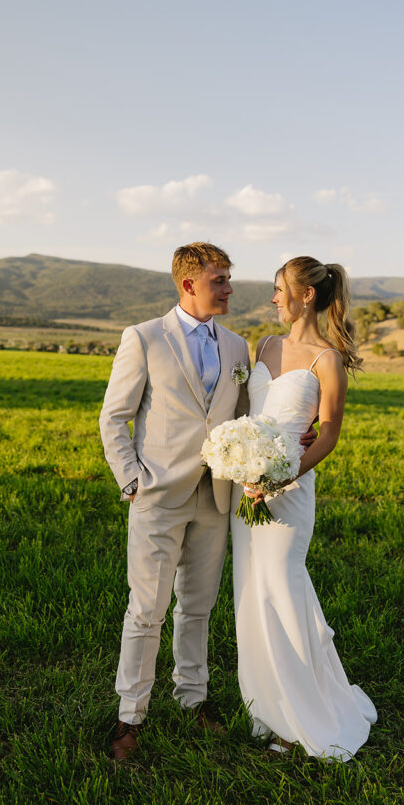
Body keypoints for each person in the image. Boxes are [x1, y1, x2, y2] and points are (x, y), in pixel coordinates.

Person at [99, 242, 250, 760]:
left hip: (216, 495)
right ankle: (129, 716)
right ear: (189, 284)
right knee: (146, 610)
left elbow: (243, 417)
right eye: (220, 280)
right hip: (158, 495)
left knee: (199, 607)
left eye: (229, 279)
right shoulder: (143, 338)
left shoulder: (237, 347)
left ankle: (193, 698)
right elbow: (113, 417)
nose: (229, 288)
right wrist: (131, 480)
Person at [231, 256, 377, 761]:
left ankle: (302, 718)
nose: (273, 299)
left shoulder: (326, 359)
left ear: (305, 295)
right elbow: (250, 414)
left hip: (289, 494)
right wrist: (243, 464)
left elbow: (330, 432)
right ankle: (267, 704)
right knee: (252, 592)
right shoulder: (264, 346)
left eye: (278, 289)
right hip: (245, 491)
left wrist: (282, 473)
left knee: (283, 591)